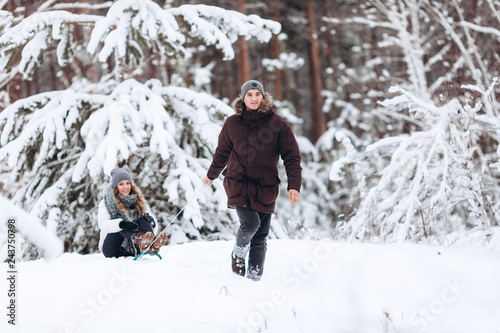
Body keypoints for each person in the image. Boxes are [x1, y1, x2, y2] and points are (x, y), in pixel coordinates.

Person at [204, 79, 302, 281]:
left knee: (260, 237)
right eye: (249, 94)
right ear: (243, 97)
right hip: (238, 183)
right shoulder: (232, 123)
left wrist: (294, 185)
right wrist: (211, 175)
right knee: (250, 224)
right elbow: (222, 152)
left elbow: (291, 156)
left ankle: (253, 279)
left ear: (263, 97)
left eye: (257, 94)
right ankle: (238, 253)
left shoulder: (278, 124)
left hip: (265, 187)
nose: (254, 98)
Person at [98, 168, 168, 258]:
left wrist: (152, 223)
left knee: (143, 219)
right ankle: (138, 239)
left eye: (128, 183)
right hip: (112, 248)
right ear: (116, 186)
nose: (126, 187)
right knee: (120, 221)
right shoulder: (105, 202)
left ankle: (151, 244)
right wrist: (122, 224)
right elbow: (103, 224)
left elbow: (148, 227)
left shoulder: (137, 201)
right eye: (121, 184)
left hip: (135, 248)